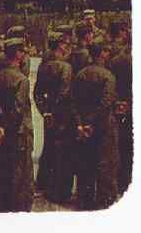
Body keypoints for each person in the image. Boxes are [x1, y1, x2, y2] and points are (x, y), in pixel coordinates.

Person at [72, 42, 119, 210]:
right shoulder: (108, 76)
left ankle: (85, 200)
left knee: (86, 164)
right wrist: (92, 123)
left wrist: (81, 124)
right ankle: (105, 201)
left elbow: (74, 103)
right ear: (102, 54)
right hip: (103, 127)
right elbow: (105, 104)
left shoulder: (80, 75)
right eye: (106, 51)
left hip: (84, 128)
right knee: (106, 165)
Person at [0, 38, 33, 212]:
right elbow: (17, 111)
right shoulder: (21, 79)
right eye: (22, 51)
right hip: (18, 134)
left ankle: (2, 207)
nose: (24, 55)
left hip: (1, 132)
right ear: (18, 54)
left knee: (4, 172)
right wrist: (6, 128)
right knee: (21, 175)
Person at [33, 32, 74, 203]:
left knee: (48, 147)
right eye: (66, 44)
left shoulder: (43, 66)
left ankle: (42, 184)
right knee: (62, 152)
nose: (68, 47)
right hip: (62, 114)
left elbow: (37, 94)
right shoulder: (66, 67)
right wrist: (57, 112)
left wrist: (45, 111)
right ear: (60, 45)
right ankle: (56, 190)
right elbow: (64, 94)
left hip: (49, 113)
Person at [108, 20, 132, 195]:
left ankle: (123, 181)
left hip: (122, 105)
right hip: (128, 105)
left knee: (124, 144)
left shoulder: (116, 59)